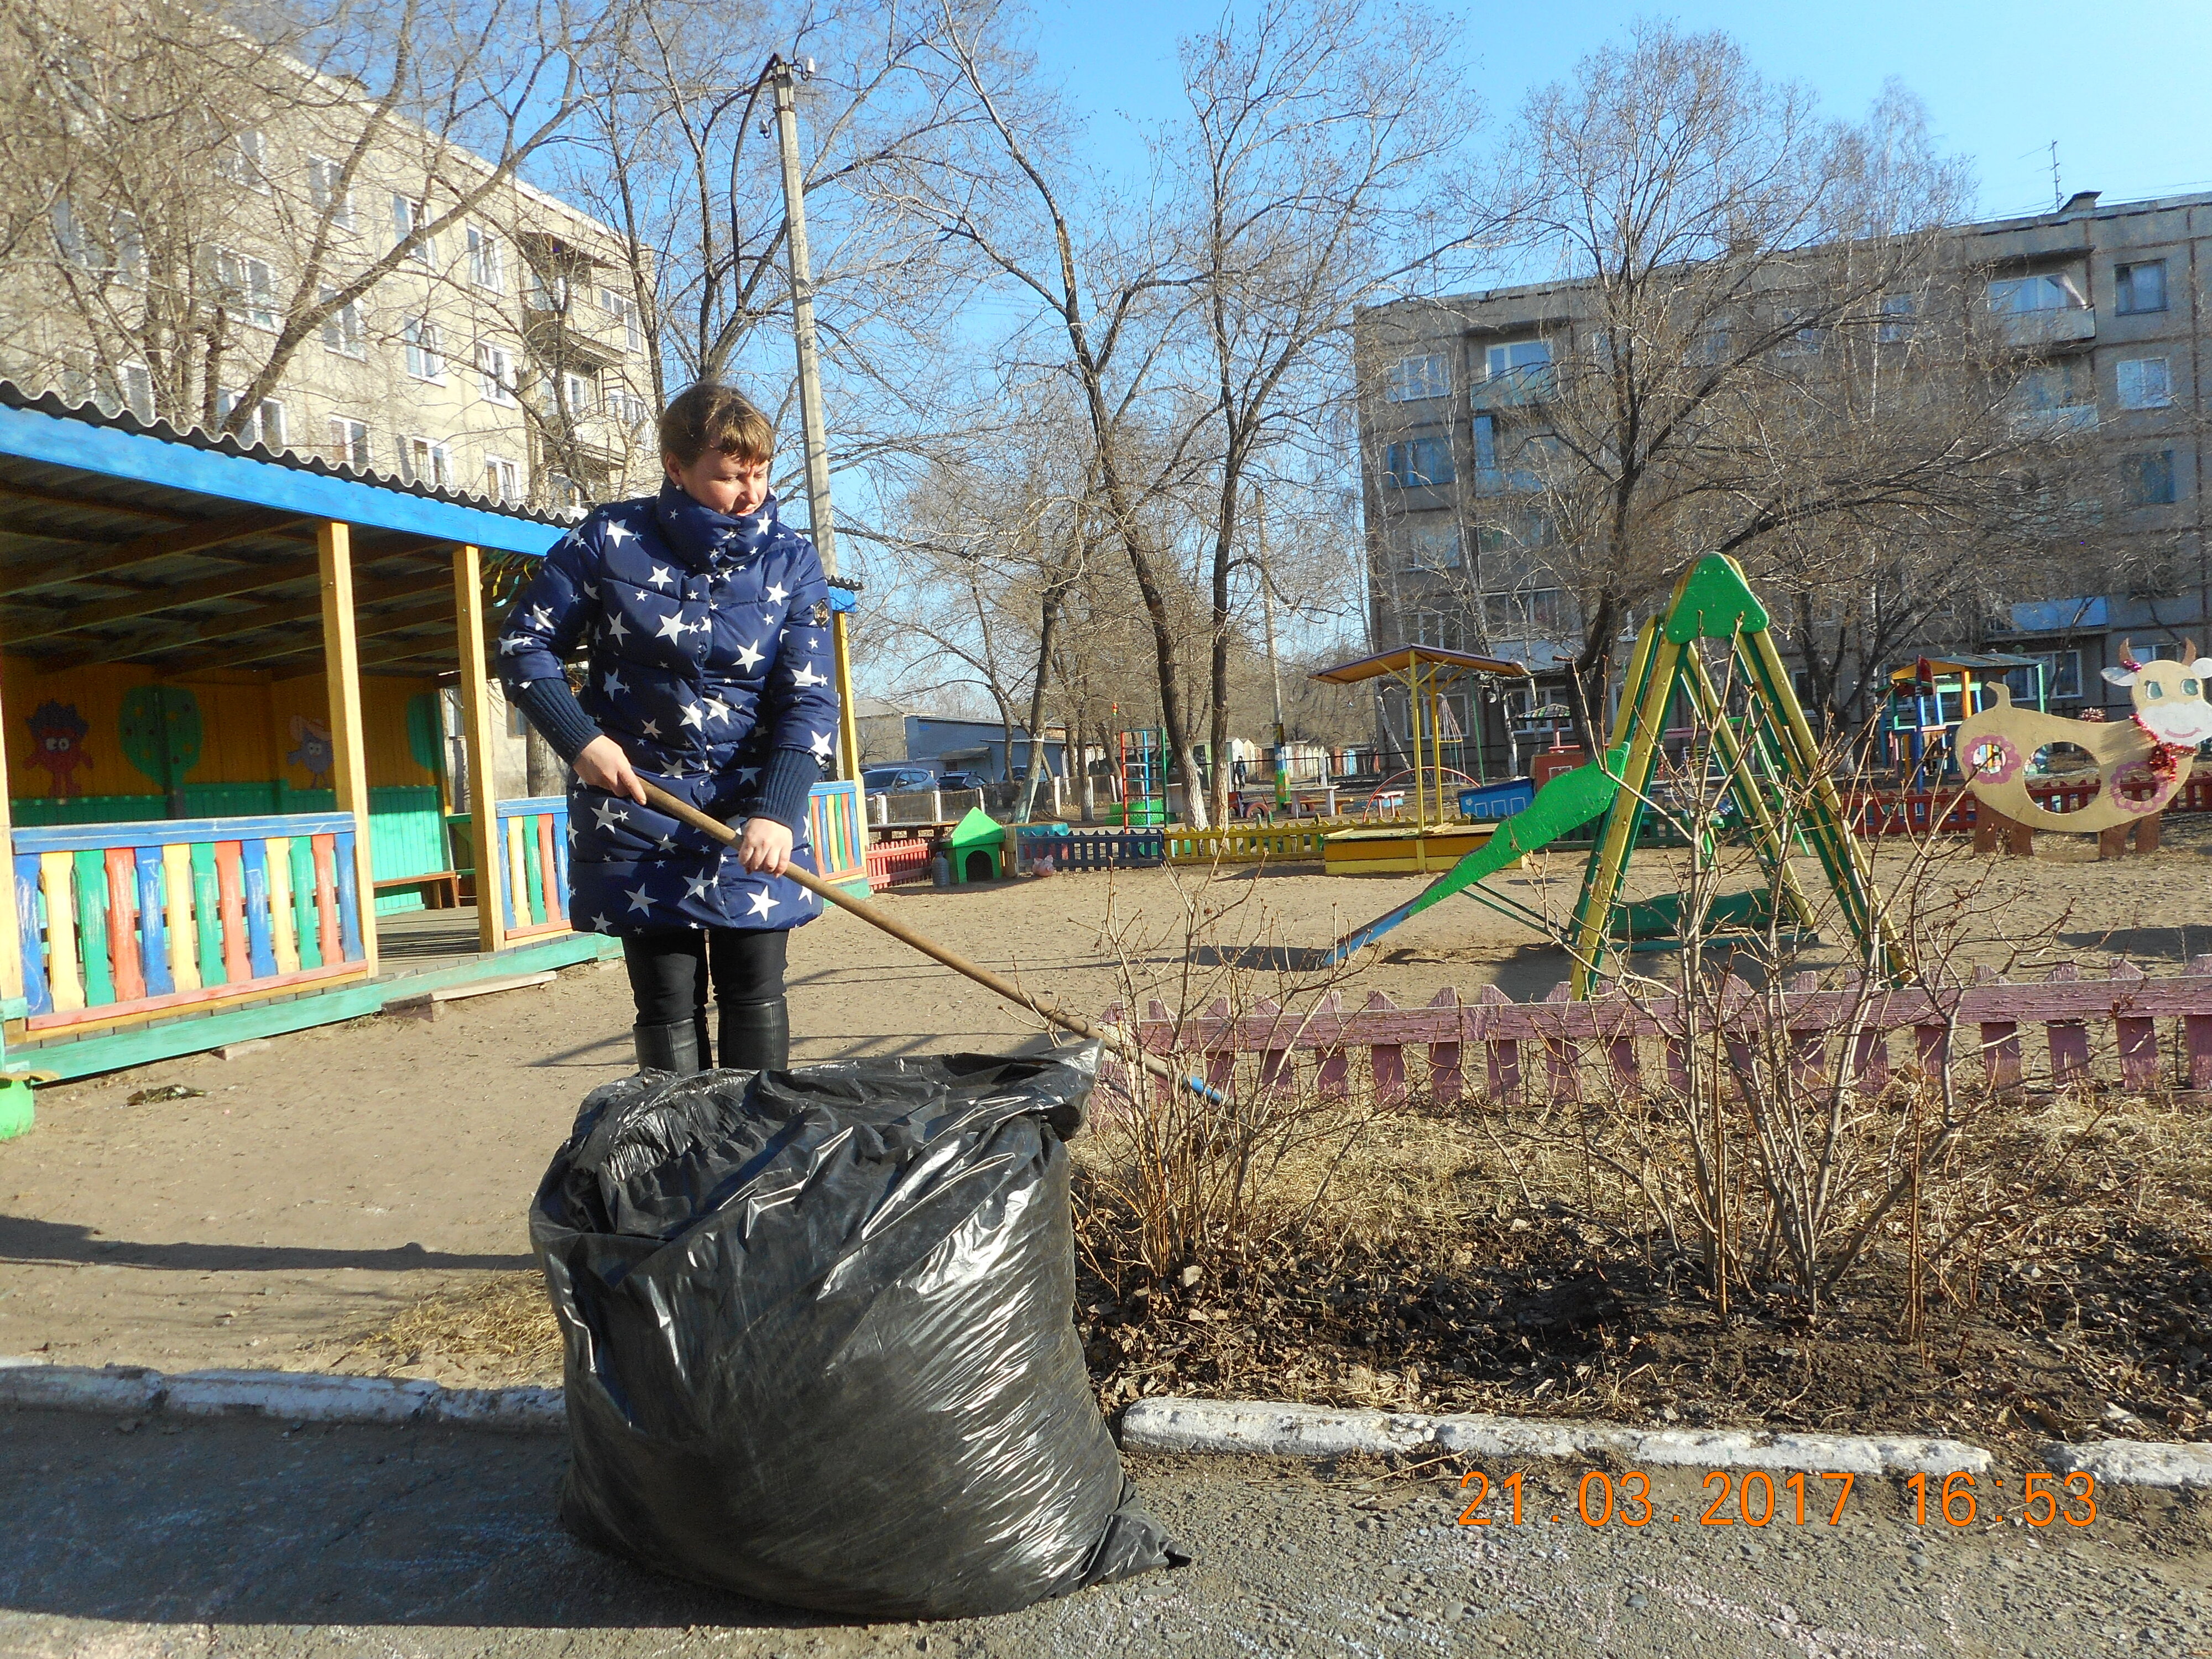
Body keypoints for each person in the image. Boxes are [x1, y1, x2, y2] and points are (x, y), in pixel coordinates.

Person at [495, 383, 838, 1076]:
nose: (750, 494)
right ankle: (677, 1156)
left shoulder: (792, 559)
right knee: (667, 1003)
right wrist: (581, 740)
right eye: (729, 477)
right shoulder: (608, 538)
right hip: (638, 808)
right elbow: (522, 644)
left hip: (750, 816)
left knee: (753, 994)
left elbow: (810, 698)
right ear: (675, 467)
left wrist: (776, 810)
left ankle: (752, 1156)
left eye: (760, 474)